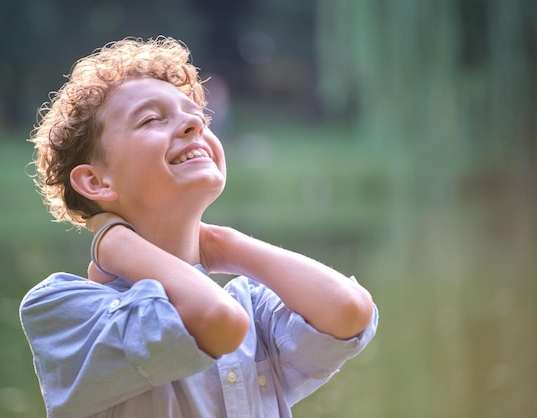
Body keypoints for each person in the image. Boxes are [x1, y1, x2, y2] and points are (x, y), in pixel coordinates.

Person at [19, 36, 378, 418]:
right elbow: (216, 322)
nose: (193, 123)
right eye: (152, 119)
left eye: (198, 117)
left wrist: (222, 243)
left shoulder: (250, 305)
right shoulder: (63, 308)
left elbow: (349, 309)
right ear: (96, 182)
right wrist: (114, 243)